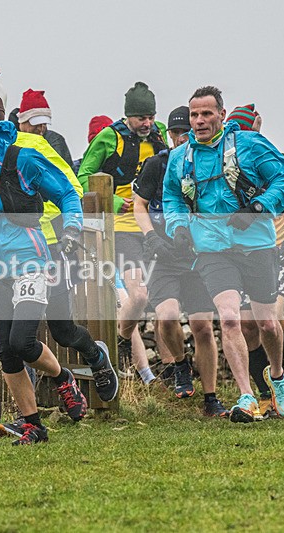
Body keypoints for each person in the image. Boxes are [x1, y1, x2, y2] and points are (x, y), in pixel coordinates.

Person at [0, 102, 117, 446]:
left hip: (33, 258)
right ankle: (34, 426)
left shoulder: (24, 160)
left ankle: (71, 373)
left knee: (25, 340)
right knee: (6, 350)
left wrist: (73, 228)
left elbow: (66, 193)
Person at [162, 86, 284, 423]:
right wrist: (178, 227)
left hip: (256, 244)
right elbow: (172, 197)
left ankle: (277, 376)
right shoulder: (180, 158)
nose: (199, 120)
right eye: (194, 115)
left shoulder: (249, 145)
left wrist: (258, 207)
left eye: (207, 113)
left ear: (222, 114)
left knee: (266, 323)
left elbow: (283, 177)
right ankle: (246, 396)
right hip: (211, 248)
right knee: (230, 318)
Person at [0, 91, 119, 438]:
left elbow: (71, 187)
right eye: (37, 121)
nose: (43, 126)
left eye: (45, 122)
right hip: (9, 254)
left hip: (48, 244)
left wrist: (65, 229)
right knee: (14, 337)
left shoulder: (39, 145)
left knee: (62, 328)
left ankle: (96, 357)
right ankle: (33, 412)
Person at [132, 106, 227, 417]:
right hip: (164, 255)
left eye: (184, 132)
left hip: (200, 255)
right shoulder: (157, 165)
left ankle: (211, 397)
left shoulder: (213, 161)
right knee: (168, 315)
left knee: (202, 326)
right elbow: (139, 205)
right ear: (168, 135)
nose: (181, 137)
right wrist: (150, 237)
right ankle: (181, 365)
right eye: (175, 133)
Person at [77, 82, 169, 379]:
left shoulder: (161, 133)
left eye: (151, 116)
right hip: (123, 229)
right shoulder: (108, 136)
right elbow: (82, 176)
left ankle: (168, 372)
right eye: (141, 117)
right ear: (128, 116)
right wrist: (115, 201)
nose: (147, 123)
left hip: (156, 227)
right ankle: (120, 341)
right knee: (139, 296)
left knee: (166, 305)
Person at [226, 104, 284, 416]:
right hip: (240, 251)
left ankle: (283, 372)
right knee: (246, 325)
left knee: (272, 319)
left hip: (276, 247)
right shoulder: (226, 166)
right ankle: (265, 393)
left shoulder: (278, 160)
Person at [7, 89, 72, 165]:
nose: (40, 129)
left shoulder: (55, 141)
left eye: (44, 124)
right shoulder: (5, 141)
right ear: (22, 120)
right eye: (36, 124)